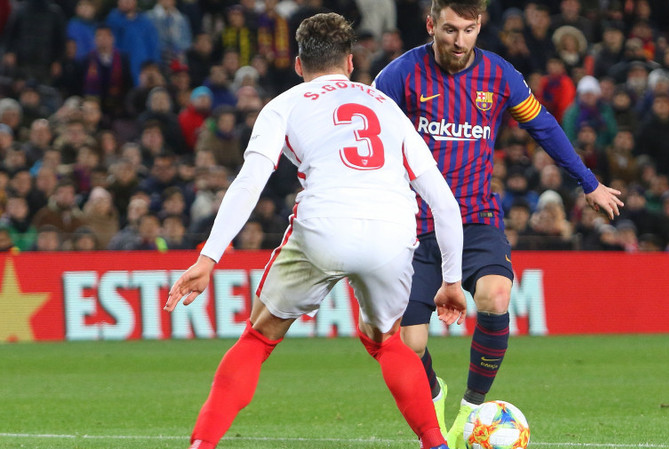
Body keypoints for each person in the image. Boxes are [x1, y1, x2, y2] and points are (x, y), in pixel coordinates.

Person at [164, 12, 466, 449]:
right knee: (387, 342)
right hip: (393, 229)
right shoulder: (387, 107)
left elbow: (250, 181)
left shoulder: (284, 104)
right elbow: (444, 203)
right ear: (350, 63)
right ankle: (435, 443)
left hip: (326, 223)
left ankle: (202, 444)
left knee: (258, 338)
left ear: (298, 64)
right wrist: (452, 281)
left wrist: (208, 257)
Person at [372, 1, 624, 447]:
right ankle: (434, 392)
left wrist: (589, 183)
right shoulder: (398, 76)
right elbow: (366, 136)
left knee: (496, 294)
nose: (460, 41)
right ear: (431, 25)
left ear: (479, 26)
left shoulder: (499, 75)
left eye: (469, 30)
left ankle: (471, 412)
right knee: (408, 344)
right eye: (450, 30)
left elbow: (543, 126)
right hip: (414, 223)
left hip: (476, 217)